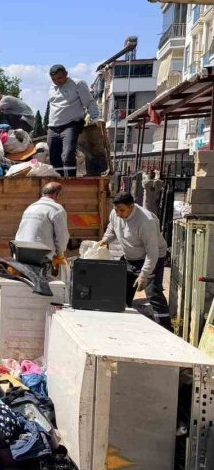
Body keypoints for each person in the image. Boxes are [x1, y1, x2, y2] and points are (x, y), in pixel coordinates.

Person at [99, 192, 171, 330]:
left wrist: (144, 274)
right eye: (116, 210)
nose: (118, 213)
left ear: (132, 207)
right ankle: (123, 324)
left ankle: (165, 327)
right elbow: (112, 229)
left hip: (151, 258)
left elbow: (152, 252)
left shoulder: (146, 221)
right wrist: (104, 241)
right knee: (121, 291)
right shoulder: (115, 213)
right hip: (129, 257)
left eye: (122, 210)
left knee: (153, 294)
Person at [46, 64, 99, 178]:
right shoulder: (51, 88)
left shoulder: (78, 84)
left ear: (66, 74)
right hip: (53, 127)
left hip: (70, 125)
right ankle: (59, 181)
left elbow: (89, 102)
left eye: (60, 78)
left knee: (67, 156)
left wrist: (95, 118)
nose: (57, 81)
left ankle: (70, 181)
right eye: (54, 79)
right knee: (54, 158)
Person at [14, 181, 69, 267]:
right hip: (40, 256)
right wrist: (60, 254)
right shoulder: (57, 209)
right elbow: (62, 236)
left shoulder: (31, 207)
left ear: (43, 193)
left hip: (20, 252)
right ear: (57, 194)